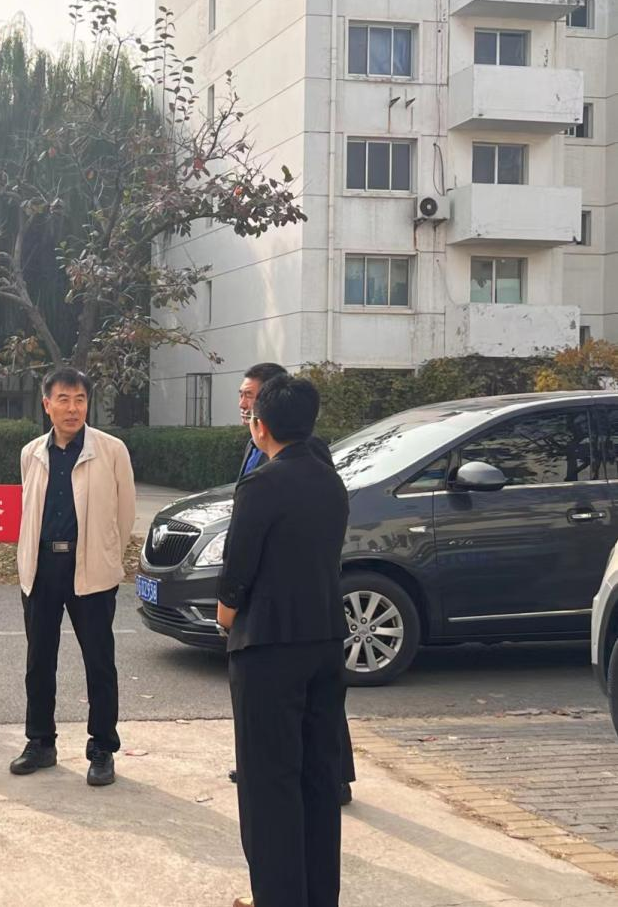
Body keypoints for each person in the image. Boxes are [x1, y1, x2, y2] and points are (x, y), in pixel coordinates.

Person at [218, 375, 349, 907]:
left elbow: (238, 566)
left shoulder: (262, 484)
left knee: (268, 785)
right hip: (325, 640)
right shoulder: (331, 480)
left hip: (268, 646)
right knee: (318, 779)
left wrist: (226, 613)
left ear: (261, 426)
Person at [235, 361, 356, 805]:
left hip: (296, 609)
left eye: (251, 396)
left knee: (315, 722)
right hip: (295, 612)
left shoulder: (308, 454)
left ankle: (336, 773)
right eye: (242, 395)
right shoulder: (255, 450)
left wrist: (229, 608)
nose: (244, 404)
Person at [10, 369, 135, 786]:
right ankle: (40, 742)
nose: (72, 408)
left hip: (92, 571)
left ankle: (102, 748)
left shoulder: (111, 450)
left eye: (80, 399)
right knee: (38, 661)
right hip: (42, 568)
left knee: (99, 662)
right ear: (46, 404)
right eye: (63, 399)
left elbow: (125, 513)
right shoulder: (32, 453)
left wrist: (106, 556)